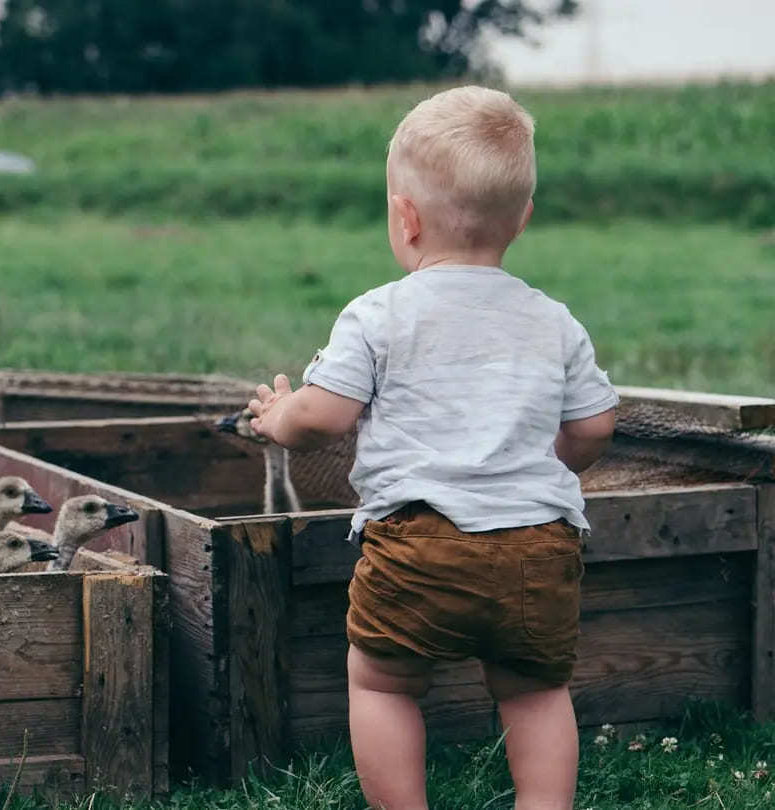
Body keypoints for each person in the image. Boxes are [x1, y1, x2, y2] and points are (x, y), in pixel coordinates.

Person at [246, 85, 618, 810]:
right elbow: (595, 426)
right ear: (523, 220)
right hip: (539, 548)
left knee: (381, 680)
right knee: (537, 693)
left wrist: (278, 416)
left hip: (421, 544)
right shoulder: (553, 321)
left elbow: (324, 416)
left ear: (405, 218)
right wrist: (553, 465)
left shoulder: (380, 313)